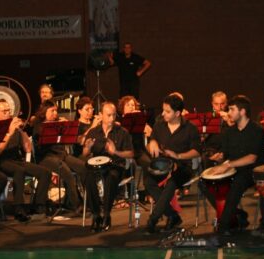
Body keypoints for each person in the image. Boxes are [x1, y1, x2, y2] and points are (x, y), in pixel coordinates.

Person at [209, 95, 264, 236]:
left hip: (256, 171)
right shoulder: (229, 132)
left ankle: (224, 226)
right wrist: (220, 157)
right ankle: (236, 215)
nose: (229, 113)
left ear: (242, 112)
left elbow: (252, 158)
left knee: (238, 183)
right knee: (206, 184)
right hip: (236, 169)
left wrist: (228, 165)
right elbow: (226, 153)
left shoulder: (256, 130)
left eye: (232, 109)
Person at [145, 94, 201, 233]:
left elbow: (197, 151)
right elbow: (153, 139)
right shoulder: (159, 125)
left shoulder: (190, 128)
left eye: (167, 111)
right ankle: (172, 215)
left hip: (182, 167)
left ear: (177, 113)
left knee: (172, 183)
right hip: (162, 165)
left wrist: (179, 155)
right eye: (163, 110)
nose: (163, 113)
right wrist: (152, 143)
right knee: (148, 182)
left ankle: (153, 219)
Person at [0, 99, 52, 221]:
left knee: (45, 172)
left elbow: (28, 148)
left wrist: (21, 130)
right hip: (1, 162)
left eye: (9, 111)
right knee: (19, 171)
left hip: (16, 160)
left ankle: (39, 205)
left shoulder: (14, 127)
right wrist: (9, 133)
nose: (7, 113)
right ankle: (18, 208)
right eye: (4, 111)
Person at [82, 102, 133, 232]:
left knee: (111, 176)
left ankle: (106, 214)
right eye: (108, 115)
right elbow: (85, 153)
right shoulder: (94, 132)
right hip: (96, 165)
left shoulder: (122, 132)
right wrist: (87, 148)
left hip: (115, 165)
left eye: (114, 115)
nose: (111, 118)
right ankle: (96, 215)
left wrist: (115, 152)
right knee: (87, 177)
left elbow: (131, 153)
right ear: (101, 115)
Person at [32, 100, 86, 215]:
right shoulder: (39, 127)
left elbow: (71, 140)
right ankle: (75, 205)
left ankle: (89, 201)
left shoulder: (58, 124)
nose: (55, 113)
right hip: (46, 158)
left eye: (56, 111)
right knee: (67, 174)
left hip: (61, 155)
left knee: (83, 167)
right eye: (52, 111)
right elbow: (39, 148)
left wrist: (67, 127)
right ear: (44, 112)